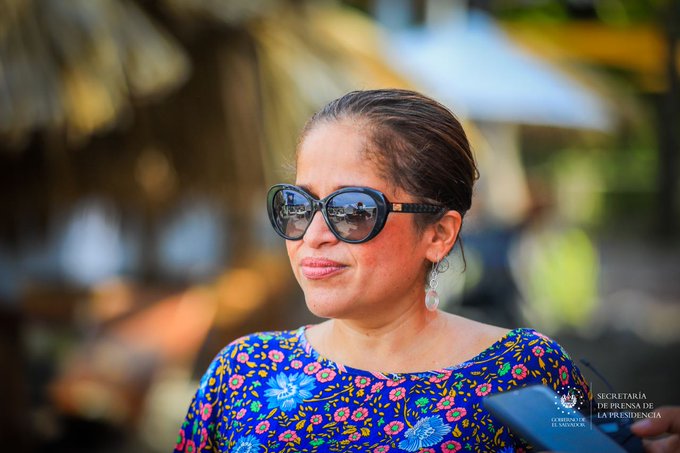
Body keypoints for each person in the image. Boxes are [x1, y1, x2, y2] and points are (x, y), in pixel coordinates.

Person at [173, 89, 592, 452]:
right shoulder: (243, 372)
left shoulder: (522, 372)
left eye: (352, 210)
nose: (313, 235)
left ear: (438, 234)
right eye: (298, 205)